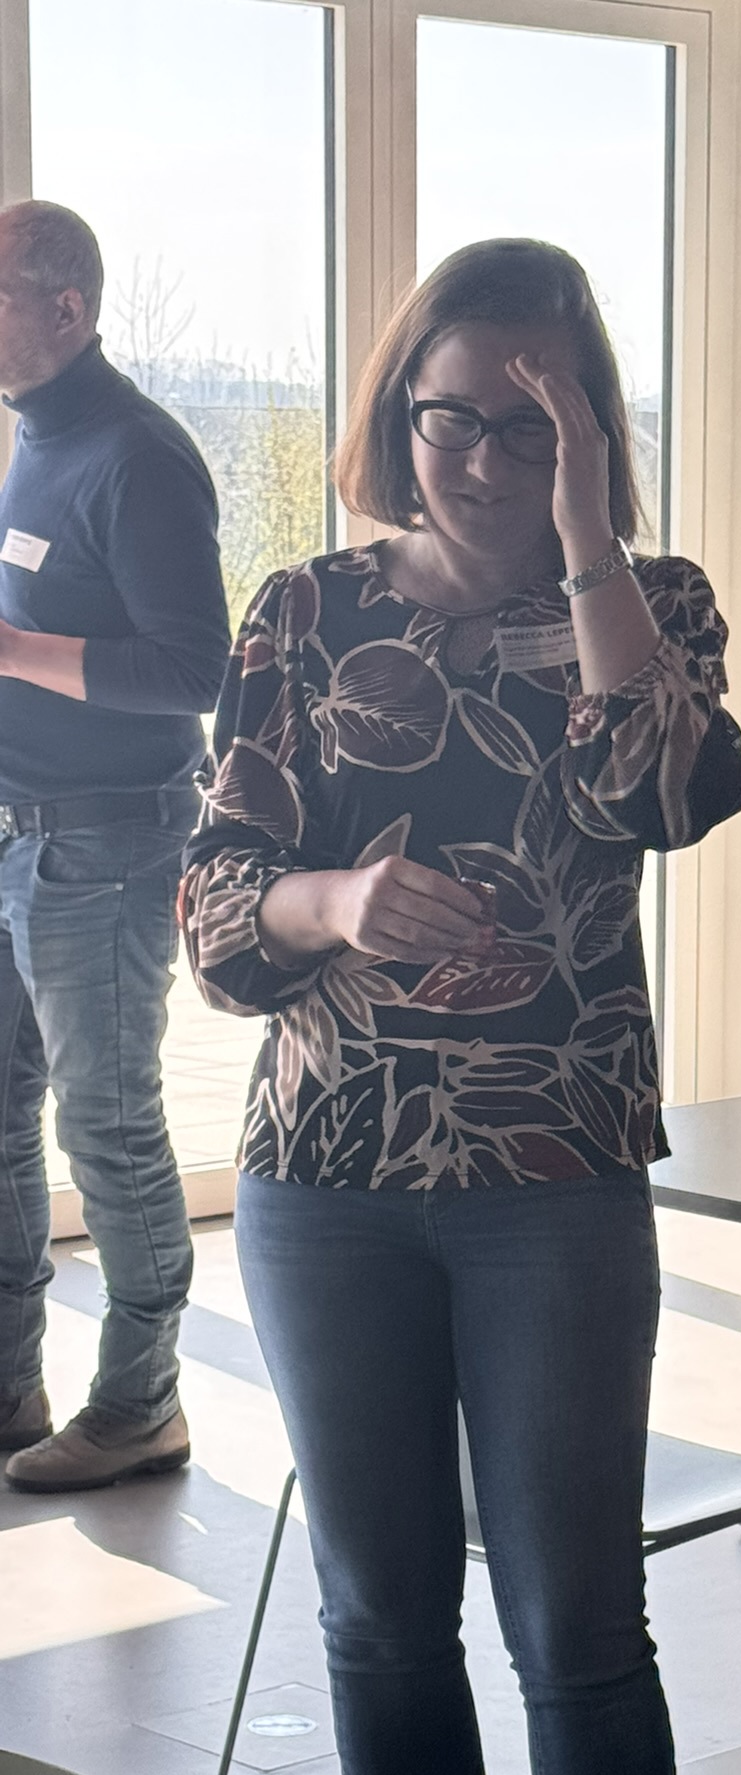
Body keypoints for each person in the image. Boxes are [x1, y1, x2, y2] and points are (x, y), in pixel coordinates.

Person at [181, 238, 741, 1775]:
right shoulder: (305, 614)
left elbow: (661, 792)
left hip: (553, 1183)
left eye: (532, 425)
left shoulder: (649, 601)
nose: (484, 460)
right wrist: (333, 900)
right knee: (382, 1624)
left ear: (588, 431)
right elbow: (214, 915)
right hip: (327, 1179)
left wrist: (588, 544)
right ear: (396, 413)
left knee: (579, 1629)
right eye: (452, 419)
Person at [0, 202, 227, 1493]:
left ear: (66, 307)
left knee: (110, 1129)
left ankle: (141, 1406)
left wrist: (12, 649)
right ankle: (10, 1386)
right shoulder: (39, 440)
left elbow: (193, 670)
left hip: (105, 848)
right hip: (18, 838)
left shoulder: (138, 454)